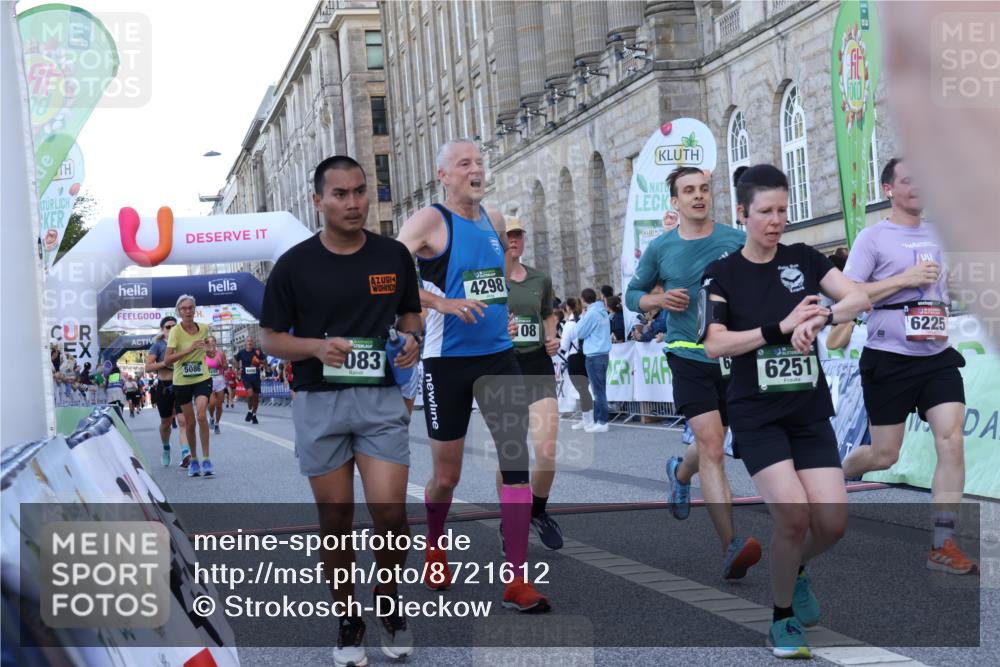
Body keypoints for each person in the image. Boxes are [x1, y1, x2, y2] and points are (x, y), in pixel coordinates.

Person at [701, 164, 870, 658]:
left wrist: (822, 316)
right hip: (756, 414)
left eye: (783, 209)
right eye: (766, 212)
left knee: (832, 523)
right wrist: (779, 328)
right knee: (794, 518)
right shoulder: (723, 273)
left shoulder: (804, 258)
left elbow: (857, 295)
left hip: (808, 410)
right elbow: (715, 345)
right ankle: (781, 618)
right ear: (743, 213)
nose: (777, 221)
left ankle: (793, 567)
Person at [261, 155, 421, 665]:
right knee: (335, 520)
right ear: (318, 201)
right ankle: (348, 619)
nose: (353, 203)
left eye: (359, 192)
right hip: (318, 401)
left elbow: (410, 311)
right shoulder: (294, 265)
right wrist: (313, 348)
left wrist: (412, 338)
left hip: (379, 400)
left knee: (392, 515)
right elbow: (269, 338)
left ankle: (389, 604)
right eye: (340, 194)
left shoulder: (393, 254)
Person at [396, 138, 548, 613]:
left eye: (480, 162)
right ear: (444, 175)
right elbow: (384, 276)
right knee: (447, 475)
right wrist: (440, 303)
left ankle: (517, 578)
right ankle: (436, 543)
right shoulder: (429, 222)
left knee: (515, 461)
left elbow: (496, 278)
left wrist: (500, 311)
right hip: (446, 363)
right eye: (464, 164)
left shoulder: (494, 220)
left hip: (499, 356)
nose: (475, 169)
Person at [841, 158, 978, 574]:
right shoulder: (873, 238)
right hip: (889, 358)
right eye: (908, 179)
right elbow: (848, 295)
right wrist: (906, 279)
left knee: (951, 439)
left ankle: (942, 542)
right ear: (888, 189)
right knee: (885, 455)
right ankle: (831, 478)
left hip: (935, 355)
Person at [625, 166, 761, 580]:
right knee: (713, 445)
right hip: (687, 355)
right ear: (675, 200)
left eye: (704, 189)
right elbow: (633, 295)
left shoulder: (737, 241)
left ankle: (679, 472)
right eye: (688, 191)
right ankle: (731, 545)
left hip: (733, 355)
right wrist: (660, 298)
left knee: (708, 446)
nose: (698, 196)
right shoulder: (662, 248)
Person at [503, 215, 564, 550]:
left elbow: (547, 313)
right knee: (510, 454)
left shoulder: (540, 278)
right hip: (502, 366)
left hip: (537, 363)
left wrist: (552, 338)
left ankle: (537, 511)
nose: (514, 240)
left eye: (518, 235)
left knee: (547, 448)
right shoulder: (489, 280)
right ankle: (508, 517)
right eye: (507, 236)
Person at [164, 295, 214, 478]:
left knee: (201, 416)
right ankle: (194, 460)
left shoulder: (205, 328)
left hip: (202, 377)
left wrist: (210, 350)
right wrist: (190, 349)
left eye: (190, 308)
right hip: (182, 381)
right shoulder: (175, 332)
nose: (187, 311)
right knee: (190, 422)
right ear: (179, 311)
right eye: (184, 308)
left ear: (195, 310)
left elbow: (209, 349)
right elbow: (167, 360)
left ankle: (207, 459)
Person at [146, 316, 190, 467]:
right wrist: (165, 362)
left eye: (173, 326)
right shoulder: (157, 346)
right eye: (167, 327)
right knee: (166, 424)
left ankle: (186, 454)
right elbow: (148, 367)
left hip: (181, 385)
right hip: (164, 387)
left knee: (183, 421)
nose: (171, 329)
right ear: (162, 330)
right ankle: (166, 448)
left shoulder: (182, 344)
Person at [575, 288, 611, 433]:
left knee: (598, 390)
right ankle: (598, 419)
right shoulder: (602, 311)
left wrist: (582, 317)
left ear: (583, 299)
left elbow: (580, 332)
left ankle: (602, 421)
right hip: (603, 353)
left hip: (594, 355)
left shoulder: (591, 313)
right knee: (600, 389)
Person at [559, 298, 593, 430]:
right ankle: (587, 418)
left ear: (567, 308)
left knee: (582, 390)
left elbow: (564, 346)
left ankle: (588, 420)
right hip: (584, 356)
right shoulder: (582, 320)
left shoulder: (569, 324)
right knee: (584, 389)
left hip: (574, 358)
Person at [234, 337, 265, 424]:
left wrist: (259, 362)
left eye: (251, 341)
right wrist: (238, 369)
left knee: (256, 397)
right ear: (245, 343)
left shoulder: (257, 351)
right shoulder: (241, 352)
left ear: (253, 342)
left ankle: (254, 415)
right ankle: (249, 410)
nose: (249, 342)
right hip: (246, 377)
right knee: (250, 393)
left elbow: (264, 360)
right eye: (248, 341)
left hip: (256, 377)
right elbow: (236, 359)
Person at [205, 336, 228, 435]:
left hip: (219, 380)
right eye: (209, 342)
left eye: (213, 341)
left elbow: (226, 366)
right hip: (208, 380)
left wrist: (222, 365)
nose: (212, 344)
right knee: (211, 404)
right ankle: (211, 417)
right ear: (207, 344)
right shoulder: (203, 354)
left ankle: (217, 423)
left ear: (215, 342)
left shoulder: (221, 353)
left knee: (219, 405)